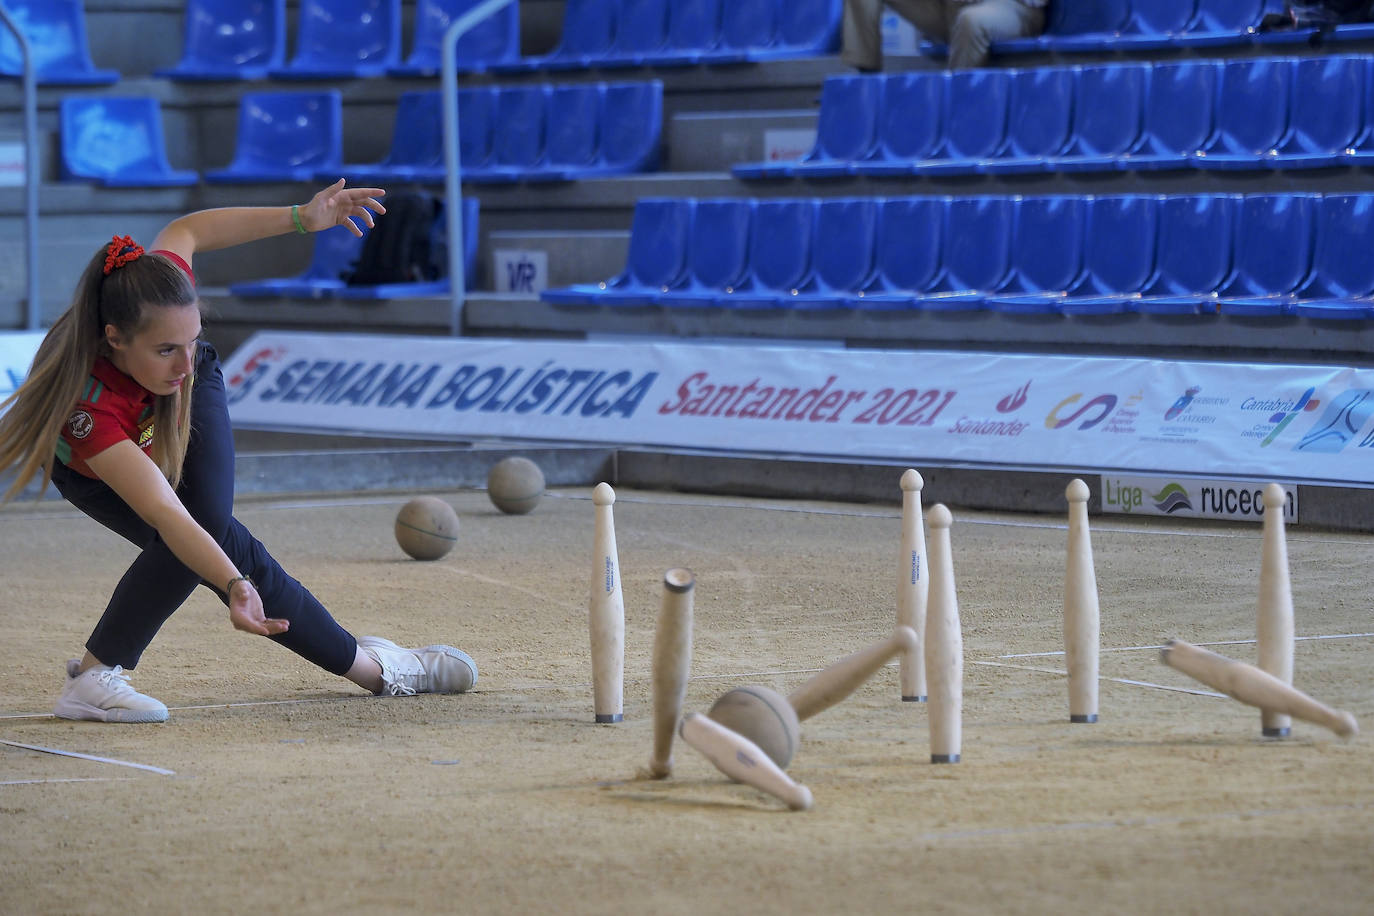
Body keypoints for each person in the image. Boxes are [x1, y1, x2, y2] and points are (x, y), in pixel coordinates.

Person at [0, 180, 477, 723]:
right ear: (115, 338)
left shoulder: (162, 309)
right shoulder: (88, 410)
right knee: (205, 535)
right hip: (89, 471)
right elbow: (167, 514)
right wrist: (233, 582)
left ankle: (373, 667)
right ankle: (96, 677)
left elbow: (191, 230)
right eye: (164, 349)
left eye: (190, 337)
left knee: (208, 527)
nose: (182, 365)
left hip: (157, 411)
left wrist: (303, 216)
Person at [843, 0, 1047, 72]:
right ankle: (865, 77)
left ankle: (956, 110)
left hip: (1010, 7)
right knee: (966, 17)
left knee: (971, 20)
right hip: (949, 9)